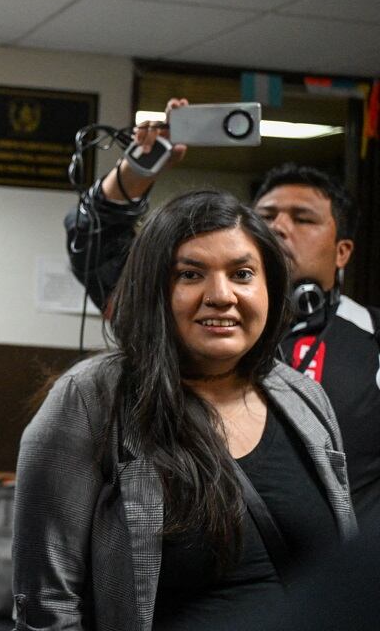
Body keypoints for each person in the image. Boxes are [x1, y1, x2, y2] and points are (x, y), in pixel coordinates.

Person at [19, 190, 356, 631]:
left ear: (269, 286)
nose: (221, 295)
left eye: (242, 273)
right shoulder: (90, 400)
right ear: (154, 288)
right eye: (191, 274)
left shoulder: (303, 398)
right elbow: (48, 607)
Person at [66, 135, 380, 529]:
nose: (280, 227)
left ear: (342, 252)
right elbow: (94, 245)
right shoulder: (192, 316)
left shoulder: (372, 335)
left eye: (303, 219)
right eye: (266, 216)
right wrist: (136, 170)